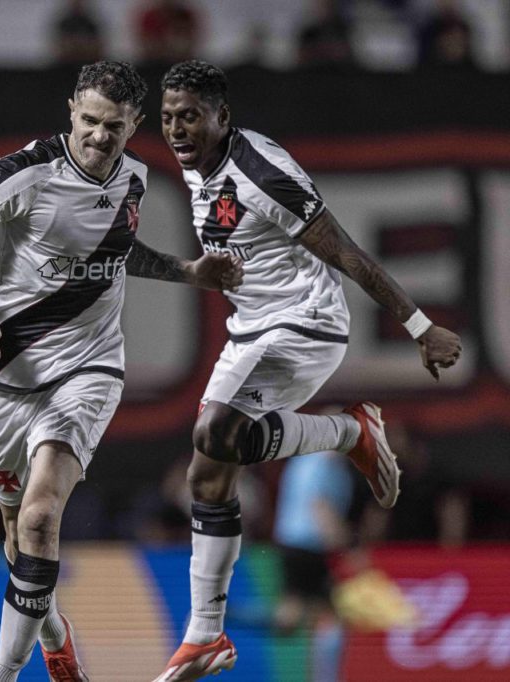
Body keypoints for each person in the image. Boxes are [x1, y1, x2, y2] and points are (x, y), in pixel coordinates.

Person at [0, 61, 242, 682]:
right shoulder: (25, 174)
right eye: (89, 121)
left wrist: (187, 271)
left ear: (134, 124)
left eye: (113, 126)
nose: (98, 136)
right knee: (19, 543)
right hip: (4, 376)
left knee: (40, 517)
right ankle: (57, 639)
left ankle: (1, 676)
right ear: (71, 112)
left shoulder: (134, 179)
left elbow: (117, 250)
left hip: (88, 369)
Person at [150, 59, 462, 681]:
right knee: (206, 475)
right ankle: (206, 637)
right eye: (168, 118)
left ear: (223, 117)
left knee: (215, 434)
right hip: (251, 331)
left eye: (190, 116)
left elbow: (344, 249)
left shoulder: (262, 173)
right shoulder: (196, 166)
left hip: (307, 323)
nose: (178, 130)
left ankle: (349, 432)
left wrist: (420, 327)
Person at [272, 448, 354, 682]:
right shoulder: (324, 465)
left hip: (293, 544)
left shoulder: (303, 461)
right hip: (310, 548)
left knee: (293, 617)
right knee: (329, 615)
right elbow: (320, 506)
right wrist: (344, 544)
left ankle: (222, 620)